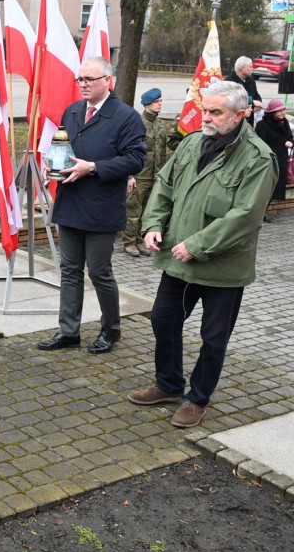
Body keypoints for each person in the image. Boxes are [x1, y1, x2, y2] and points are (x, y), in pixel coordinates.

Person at [129, 80, 277, 428]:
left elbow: (246, 216)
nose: (206, 118)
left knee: (213, 338)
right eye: (204, 110)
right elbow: (165, 185)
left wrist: (196, 245)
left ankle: (197, 398)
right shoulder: (193, 142)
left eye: (215, 112)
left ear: (240, 115)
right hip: (177, 261)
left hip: (222, 268)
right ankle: (168, 384)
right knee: (163, 320)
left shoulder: (258, 158)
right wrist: (152, 224)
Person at [37, 57, 146, 354]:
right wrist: (53, 165)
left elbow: (136, 159)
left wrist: (94, 167)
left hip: (101, 207)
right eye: (80, 79)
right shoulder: (72, 111)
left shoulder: (126, 116)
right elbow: (64, 148)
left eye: (89, 79)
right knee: (70, 270)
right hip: (70, 203)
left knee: (99, 272)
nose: (83, 84)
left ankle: (111, 329)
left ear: (107, 81)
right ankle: (69, 331)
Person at [122, 88, 181, 256]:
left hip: (155, 176)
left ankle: (141, 240)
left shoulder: (162, 125)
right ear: (147, 103)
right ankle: (129, 242)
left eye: (161, 101)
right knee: (133, 210)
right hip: (139, 175)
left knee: (147, 210)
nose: (160, 104)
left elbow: (166, 150)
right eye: (157, 101)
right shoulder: (137, 123)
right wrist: (130, 176)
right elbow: (128, 150)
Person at [254, 98, 293, 222]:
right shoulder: (263, 125)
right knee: (266, 188)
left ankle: (263, 211)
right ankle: (259, 212)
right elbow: (260, 143)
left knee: (274, 188)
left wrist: (290, 142)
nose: (282, 113)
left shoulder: (284, 122)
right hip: (268, 161)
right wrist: (283, 142)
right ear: (272, 112)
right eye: (279, 111)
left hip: (281, 160)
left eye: (283, 110)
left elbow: (290, 138)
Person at [224, 56, 263, 122]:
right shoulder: (228, 82)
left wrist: (259, 103)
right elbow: (230, 102)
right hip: (236, 120)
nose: (252, 69)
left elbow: (255, 94)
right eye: (250, 67)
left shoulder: (251, 79)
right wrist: (253, 103)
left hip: (249, 119)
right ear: (242, 68)